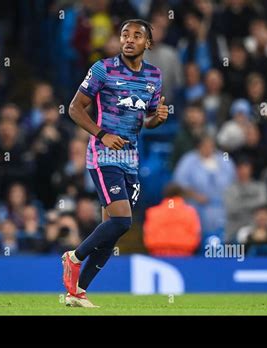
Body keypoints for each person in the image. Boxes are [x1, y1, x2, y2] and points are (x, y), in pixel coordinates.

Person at [63, 19, 168, 307]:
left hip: (130, 159)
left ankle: (77, 292)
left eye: (137, 35)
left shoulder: (154, 76)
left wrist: (156, 119)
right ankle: (74, 257)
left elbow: (146, 119)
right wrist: (102, 134)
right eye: (124, 34)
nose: (129, 39)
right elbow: (74, 108)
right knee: (123, 219)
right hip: (103, 153)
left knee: (113, 231)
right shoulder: (103, 69)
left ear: (148, 43)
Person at [143, 183, 201, 256]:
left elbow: (148, 232)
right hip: (184, 254)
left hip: (158, 253)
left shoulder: (153, 212)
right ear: (181, 194)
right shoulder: (190, 212)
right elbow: (195, 232)